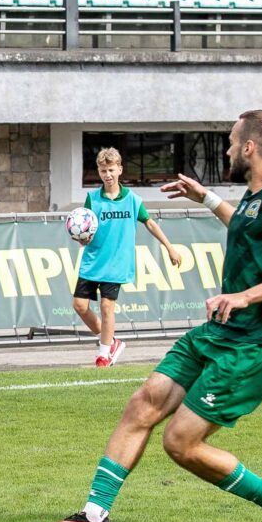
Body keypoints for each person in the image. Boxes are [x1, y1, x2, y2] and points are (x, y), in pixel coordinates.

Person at [39, 110, 262, 522]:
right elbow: (245, 227)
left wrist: (243, 295)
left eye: (230, 141)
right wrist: (205, 197)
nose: (225, 149)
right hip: (219, 331)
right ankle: (93, 517)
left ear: (249, 147)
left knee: (180, 443)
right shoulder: (255, 197)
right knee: (142, 404)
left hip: (253, 343)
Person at [73, 148, 182, 367]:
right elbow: (84, 225)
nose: (108, 175)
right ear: (99, 171)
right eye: (103, 170)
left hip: (116, 264)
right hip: (92, 261)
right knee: (79, 306)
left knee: (106, 307)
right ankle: (110, 341)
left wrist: (170, 247)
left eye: (111, 170)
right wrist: (81, 239)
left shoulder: (132, 200)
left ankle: (104, 354)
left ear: (120, 169)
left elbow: (149, 223)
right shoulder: (92, 199)